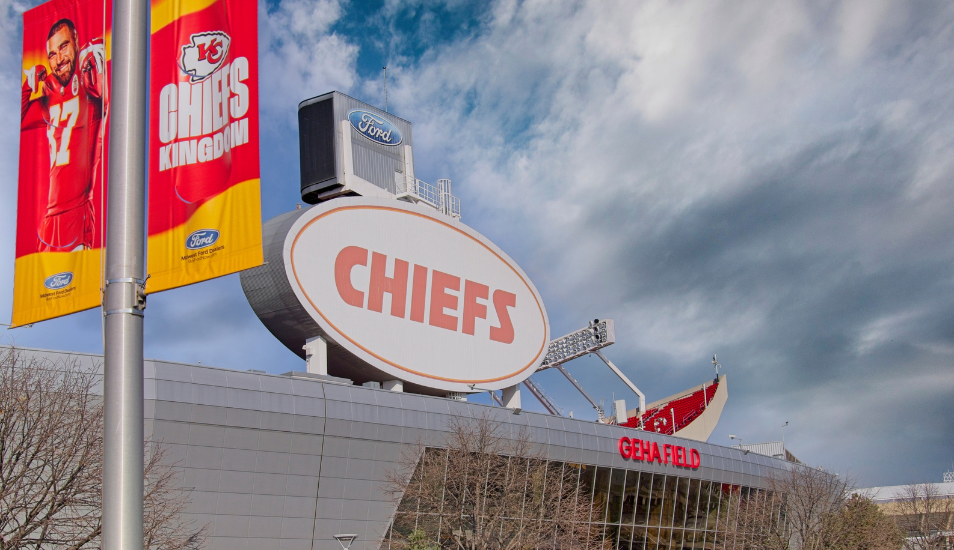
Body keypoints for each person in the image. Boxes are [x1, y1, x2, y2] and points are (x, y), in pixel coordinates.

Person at [21, 18, 104, 252]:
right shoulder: (50, 91)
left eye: (64, 47)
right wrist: (28, 85)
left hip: (77, 214)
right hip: (49, 219)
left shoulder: (88, 72)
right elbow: (22, 118)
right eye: (52, 54)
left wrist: (95, 55)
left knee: (80, 286)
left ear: (76, 40)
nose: (58, 60)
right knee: (43, 288)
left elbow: (102, 92)